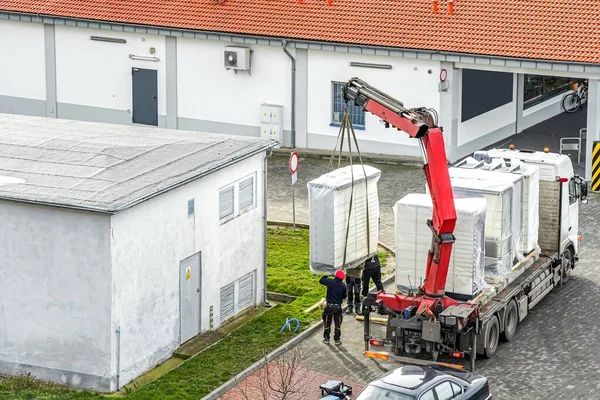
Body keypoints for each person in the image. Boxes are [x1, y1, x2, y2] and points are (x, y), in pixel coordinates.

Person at [319, 270, 347, 346]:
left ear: (335, 276)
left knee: (327, 323)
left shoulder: (330, 282)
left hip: (329, 307)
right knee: (338, 324)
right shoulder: (343, 286)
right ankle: (337, 340)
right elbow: (344, 297)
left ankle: (326, 339)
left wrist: (326, 275)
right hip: (338, 307)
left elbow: (321, 280)